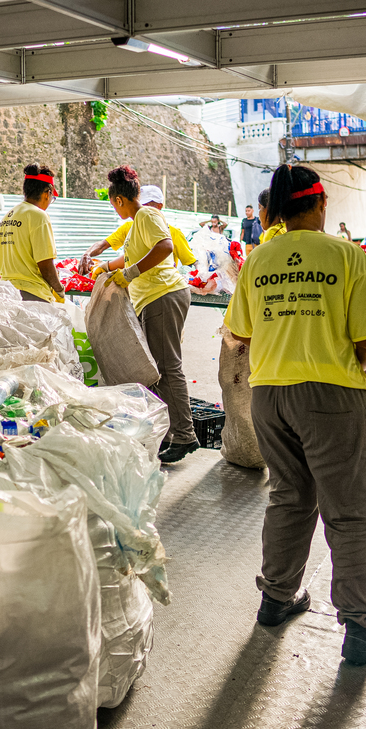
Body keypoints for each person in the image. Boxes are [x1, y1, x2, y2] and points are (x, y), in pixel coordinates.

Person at [225, 164, 366, 665]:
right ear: (320, 203)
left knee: (289, 496)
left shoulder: (259, 259)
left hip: (270, 395)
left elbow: (239, 332)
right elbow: (363, 340)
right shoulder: (348, 256)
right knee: (348, 507)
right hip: (332, 393)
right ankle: (360, 625)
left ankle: (276, 599)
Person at [88, 166, 200, 463]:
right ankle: (172, 432)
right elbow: (133, 254)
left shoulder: (147, 216)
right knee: (158, 368)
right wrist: (107, 268)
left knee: (167, 367)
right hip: (154, 298)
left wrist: (131, 273)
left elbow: (165, 246)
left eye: (113, 204)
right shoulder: (138, 222)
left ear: (120, 200)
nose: (114, 209)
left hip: (164, 295)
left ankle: (186, 435)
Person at [78, 185, 196, 272]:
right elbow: (103, 244)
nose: (142, 210)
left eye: (147, 205)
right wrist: (87, 254)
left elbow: (190, 264)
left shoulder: (174, 233)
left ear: (159, 206)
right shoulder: (128, 227)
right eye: (140, 205)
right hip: (137, 292)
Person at [0, 164, 65, 303]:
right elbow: (45, 264)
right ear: (48, 193)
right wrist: (59, 289)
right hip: (32, 295)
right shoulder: (39, 216)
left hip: (7, 293)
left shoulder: (8, 216)